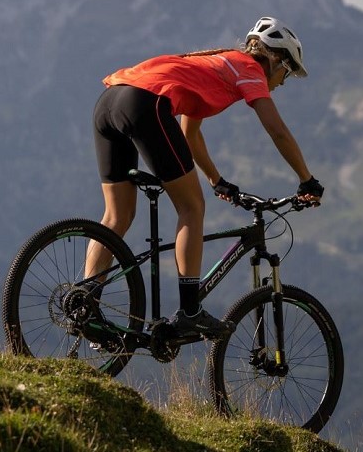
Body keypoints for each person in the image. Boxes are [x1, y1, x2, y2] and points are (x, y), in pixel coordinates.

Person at [84, 17, 324, 339]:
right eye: (286, 74)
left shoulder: (216, 64)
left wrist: (216, 179)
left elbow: (190, 134)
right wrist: (307, 179)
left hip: (110, 102)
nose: (282, 83)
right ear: (275, 61)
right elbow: (277, 131)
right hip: (145, 104)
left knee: (117, 216)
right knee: (192, 208)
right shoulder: (250, 69)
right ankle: (190, 312)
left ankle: (84, 304)